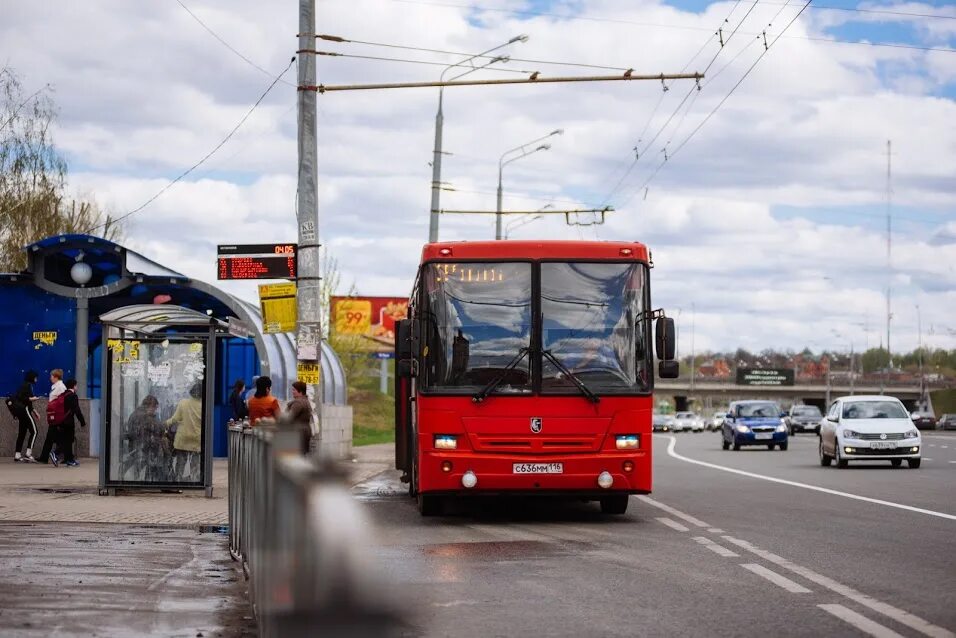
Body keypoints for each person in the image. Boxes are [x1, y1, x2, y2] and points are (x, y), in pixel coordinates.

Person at [124, 396, 166, 481]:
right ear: (150, 406)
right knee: (160, 457)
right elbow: (159, 428)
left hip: (137, 445)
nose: (155, 410)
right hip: (141, 447)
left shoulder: (136, 413)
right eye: (155, 408)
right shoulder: (145, 416)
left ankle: (147, 477)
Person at [166, 383, 203, 481]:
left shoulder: (183, 403)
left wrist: (165, 424)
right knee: (195, 463)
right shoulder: (203, 406)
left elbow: (175, 419)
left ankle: (178, 480)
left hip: (183, 439)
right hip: (197, 438)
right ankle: (194, 480)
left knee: (180, 462)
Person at [11, 371, 40, 463]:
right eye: (35, 377)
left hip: (21, 412)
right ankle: (28, 453)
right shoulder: (27, 385)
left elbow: (25, 400)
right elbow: (22, 398)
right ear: (31, 377)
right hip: (25, 411)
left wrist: (35, 412)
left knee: (22, 432)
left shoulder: (24, 385)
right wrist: (32, 398)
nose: (36, 379)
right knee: (34, 431)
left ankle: (17, 454)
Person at [56, 379, 86, 467]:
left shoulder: (63, 394)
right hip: (68, 421)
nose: (77, 387)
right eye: (76, 385)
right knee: (68, 440)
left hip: (61, 421)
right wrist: (82, 422)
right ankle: (56, 453)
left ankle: (68, 459)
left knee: (67, 440)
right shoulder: (73, 396)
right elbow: (77, 410)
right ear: (73, 386)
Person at [286, 380, 313, 454]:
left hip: (298, 433)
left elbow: (289, 417)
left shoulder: (298, 403)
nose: (292, 392)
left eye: (294, 390)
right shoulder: (306, 401)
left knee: (297, 455)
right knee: (302, 455)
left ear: (300, 392)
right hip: (305, 431)